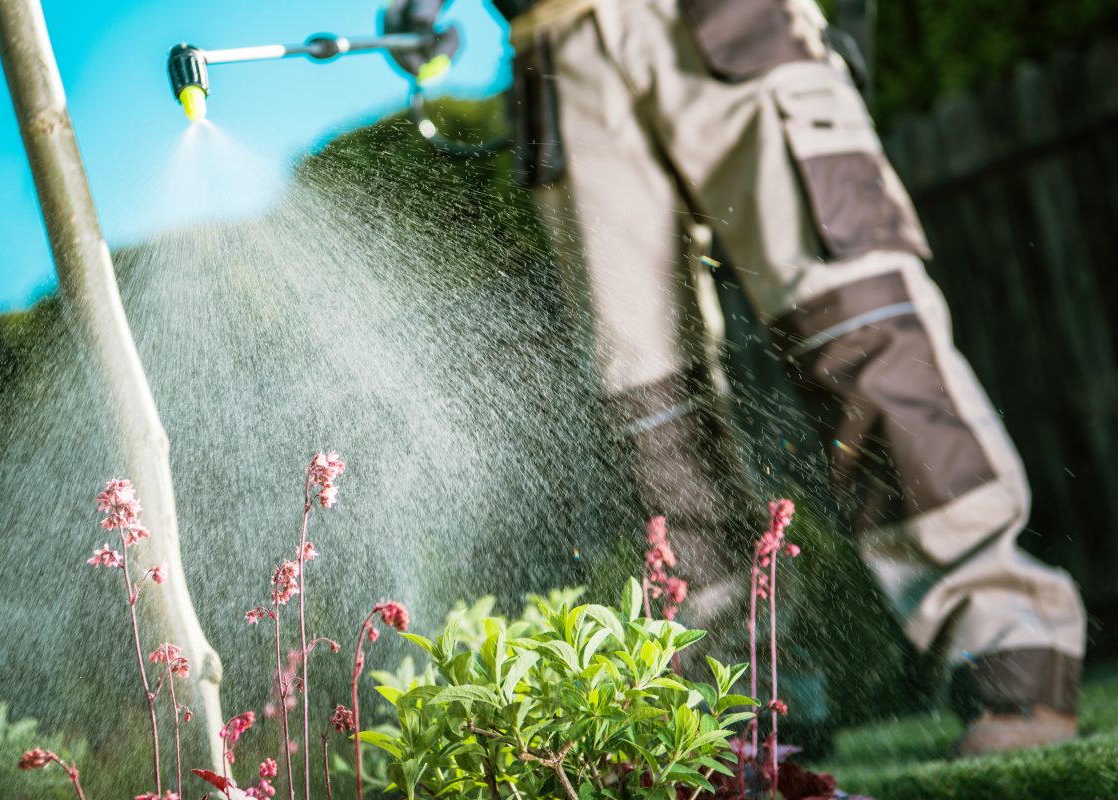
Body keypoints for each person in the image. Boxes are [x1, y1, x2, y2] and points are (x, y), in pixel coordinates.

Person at [383, 0, 1086, 755]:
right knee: (653, 419)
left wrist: (842, 33)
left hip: (734, 23)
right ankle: (750, 717)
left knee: (857, 330)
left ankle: (1015, 663)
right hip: (560, 61)